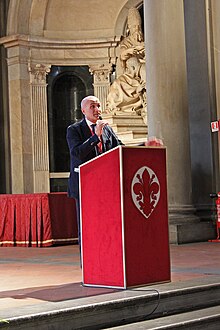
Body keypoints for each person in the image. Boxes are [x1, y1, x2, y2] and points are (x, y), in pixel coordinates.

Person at [66, 95, 123, 257]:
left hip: (105, 186)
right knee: (87, 226)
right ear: (83, 110)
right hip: (84, 186)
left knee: (106, 224)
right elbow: (76, 153)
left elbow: (120, 149)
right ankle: (89, 263)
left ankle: (106, 258)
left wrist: (144, 145)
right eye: (92, 106)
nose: (97, 110)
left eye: (98, 106)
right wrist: (95, 137)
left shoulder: (107, 129)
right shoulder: (74, 129)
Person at [106, 7, 146, 115]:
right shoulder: (126, 42)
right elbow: (122, 56)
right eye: (134, 27)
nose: (136, 29)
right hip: (129, 73)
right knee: (118, 84)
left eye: (138, 26)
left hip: (141, 71)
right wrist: (131, 50)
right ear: (129, 28)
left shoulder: (145, 41)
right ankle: (115, 107)